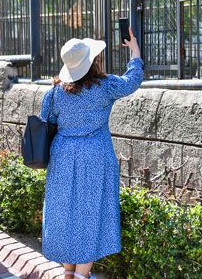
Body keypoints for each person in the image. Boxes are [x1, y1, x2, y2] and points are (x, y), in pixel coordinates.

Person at [40, 29, 143, 279]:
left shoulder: (54, 91)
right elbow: (132, 81)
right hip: (95, 154)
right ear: (93, 60)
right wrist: (135, 52)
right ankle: (82, 275)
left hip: (63, 153)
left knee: (64, 210)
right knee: (90, 211)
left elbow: (46, 120)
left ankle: (68, 272)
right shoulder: (104, 87)